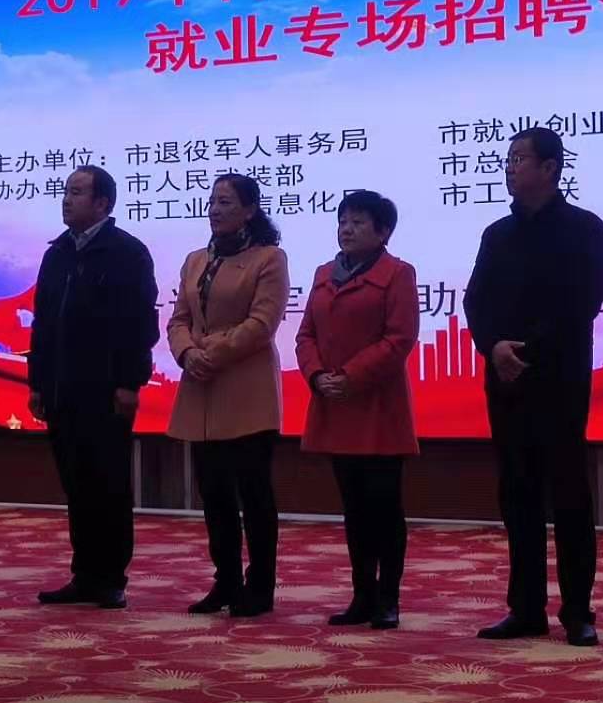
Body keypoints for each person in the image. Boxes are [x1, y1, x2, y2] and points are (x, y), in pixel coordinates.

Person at [462, 127, 603, 647]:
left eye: (519, 158)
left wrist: (524, 351)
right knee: (517, 495)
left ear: (550, 168)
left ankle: (578, 612)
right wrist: (492, 346)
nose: (509, 167)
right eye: (508, 159)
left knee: (569, 497)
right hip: (505, 382)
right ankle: (525, 609)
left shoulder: (585, 229)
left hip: (559, 379)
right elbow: (475, 300)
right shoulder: (496, 234)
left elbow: (583, 303)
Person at [29, 166, 159, 610]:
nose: (66, 199)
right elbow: (43, 324)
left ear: (103, 203)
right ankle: (83, 574)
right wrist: (38, 382)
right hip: (60, 389)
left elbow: (140, 325)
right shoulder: (57, 253)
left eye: (77, 192)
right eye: (65, 191)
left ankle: (111, 577)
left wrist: (129, 382)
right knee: (76, 485)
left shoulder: (127, 252)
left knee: (109, 485)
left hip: (105, 391)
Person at [166, 174, 288, 618]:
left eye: (226, 202)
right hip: (201, 389)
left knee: (253, 495)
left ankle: (260, 586)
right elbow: (178, 319)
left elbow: (262, 324)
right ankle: (226, 581)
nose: (215, 210)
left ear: (250, 210)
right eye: (212, 201)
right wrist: (186, 353)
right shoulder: (196, 259)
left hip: (246, 390)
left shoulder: (269, 258)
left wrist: (211, 354)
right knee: (214, 495)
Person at [297, 191, 420, 630]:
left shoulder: (398, 274)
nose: (346, 229)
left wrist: (349, 375)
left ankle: (389, 599)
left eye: (358, 222)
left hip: (377, 407)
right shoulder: (323, 274)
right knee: (353, 509)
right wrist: (316, 376)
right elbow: (305, 336)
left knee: (384, 508)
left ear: (383, 231)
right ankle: (362, 595)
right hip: (334, 403)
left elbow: (399, 339)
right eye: (343, 221)